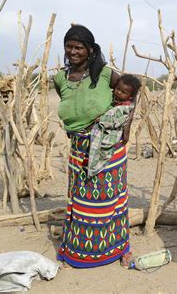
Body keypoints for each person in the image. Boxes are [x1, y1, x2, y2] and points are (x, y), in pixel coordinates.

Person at [54, 24, 134, 268]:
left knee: (112, 200)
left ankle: (119, 249)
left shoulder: (106, 74)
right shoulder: (60, 79)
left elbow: (132, 91)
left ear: (90, 50)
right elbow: (72, 106)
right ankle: (78, 251)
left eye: (79, 47)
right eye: (69, 46)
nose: (73, 51)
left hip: (109, 148)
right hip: (79, 149)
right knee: (80, 200)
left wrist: (126, 125)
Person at [88, 74, 141, 177]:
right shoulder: (113, 97)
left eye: (123, 92)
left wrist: (101, 119)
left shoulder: (124, 107)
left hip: (112, 133)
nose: (118, 92)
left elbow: (115, 118)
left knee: (103, 150)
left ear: (130, 97)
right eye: (117, 89)